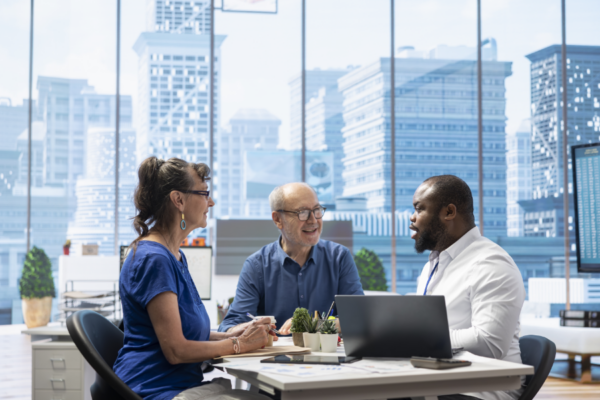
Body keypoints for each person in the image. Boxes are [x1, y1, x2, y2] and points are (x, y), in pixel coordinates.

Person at [113, 157, 275, 400]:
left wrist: (234, 335)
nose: (211, 202)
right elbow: (176, 350)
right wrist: (240, 345)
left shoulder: (174, 255)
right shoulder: (154, 259)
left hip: (177, 385)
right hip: (154, 390)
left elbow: (182, 332)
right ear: (178, 200)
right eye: (204, 193)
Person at [408, 175, 526, 400]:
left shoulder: (491, 263)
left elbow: (489, 343)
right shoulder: (433, 265)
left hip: (483, 387)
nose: (412, 217)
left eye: (419, 208)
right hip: (439, 376)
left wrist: (423, 338)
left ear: (449, 212)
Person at [218, 182, 364, 335]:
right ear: (278, 219)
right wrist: (252, 328)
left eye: (316, 210)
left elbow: (360, 318)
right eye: (302, 212)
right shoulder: (256, 266)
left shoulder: (339, 258)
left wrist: (311, 325)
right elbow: (229, 327)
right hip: (276, 350)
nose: (313, 220)